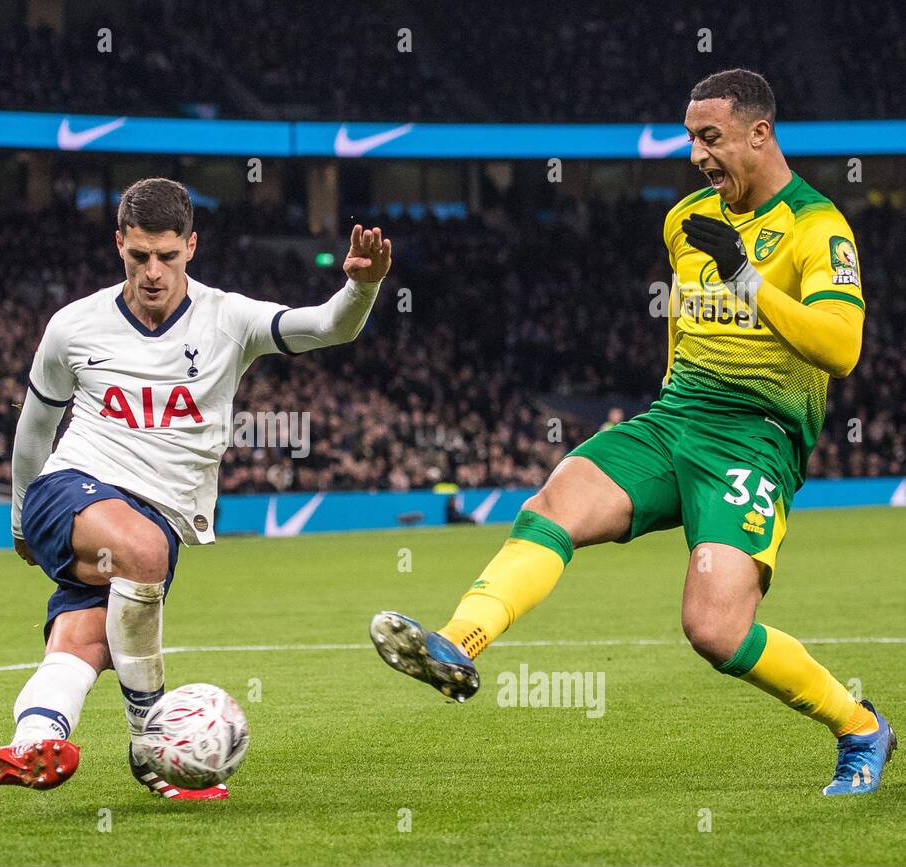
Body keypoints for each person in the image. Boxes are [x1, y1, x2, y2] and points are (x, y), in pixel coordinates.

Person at [371, 69, 894, 796]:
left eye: (709, 138)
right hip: (675, 418)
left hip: (753, 436)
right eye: (690, 139)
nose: (696, 155)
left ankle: (860, 727)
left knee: (715, 632)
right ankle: (455, 645)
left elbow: (841, 349)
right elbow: (683, 328)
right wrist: (670, 407)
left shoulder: (817, 225)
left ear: (759, 133)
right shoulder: (686, 220)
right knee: (556, 501)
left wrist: (746, 277)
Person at [0, 177, 391, 798]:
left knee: (88, 640)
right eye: (139, 255)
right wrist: (18, 517)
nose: (152, 272)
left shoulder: (228, 319)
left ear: (191, 247)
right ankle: (151, 742)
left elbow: (328, 327)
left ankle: (33, 739)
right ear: (118, 244)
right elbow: (34, 427)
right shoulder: (73, 327)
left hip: (159, 515)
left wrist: (362, 284)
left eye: (167, 256)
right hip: (70, 488)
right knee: (143, 553)